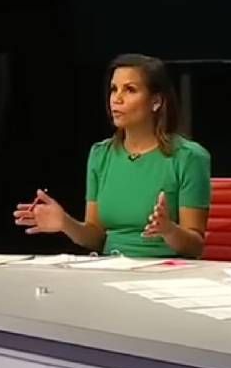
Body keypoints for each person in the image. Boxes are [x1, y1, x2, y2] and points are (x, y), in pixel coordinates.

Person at [14, 54, 211, 257]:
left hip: (167, 272)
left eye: (130, 90)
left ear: (156, 101)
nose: (116, 98)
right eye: (114, 89)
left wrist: (169, 229)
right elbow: (96, 237)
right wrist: (65, 223)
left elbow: (195, 246)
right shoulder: (101, 155)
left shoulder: (188, 157)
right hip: (110, 267)